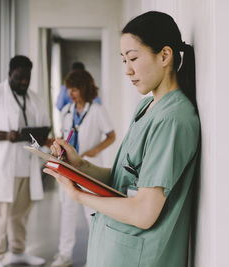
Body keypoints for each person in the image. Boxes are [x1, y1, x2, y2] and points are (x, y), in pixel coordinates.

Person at [44, 11, 200, 267]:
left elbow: (144, 212)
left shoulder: (173, 120)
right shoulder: (146, 108)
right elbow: (122, 180)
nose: (127, 70)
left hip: (138, 257)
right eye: (123, 60)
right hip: (113, 249)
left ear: (165, 56)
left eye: (133, 58)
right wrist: (78, 166)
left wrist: (79, 196)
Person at [0, 55, 50, 267]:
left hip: (26, 165)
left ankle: (17, 251)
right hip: (1, 167)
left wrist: (42, 137)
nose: (24, 82)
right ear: (9, 75)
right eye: (19, 77)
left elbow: (44, 126)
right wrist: (6, 135)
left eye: (27, 78)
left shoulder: (35, 99)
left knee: (20, 214)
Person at [51, 70, 116, 267]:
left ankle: (96, 259)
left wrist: (92, 151)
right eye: (69, 88)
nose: (71, 93)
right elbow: (64, 136)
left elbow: (111, 136)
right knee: (67, 213)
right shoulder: (66, 111)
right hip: (68, 168)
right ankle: (64, 255)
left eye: (75, 88)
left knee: (93, 215)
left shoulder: (97, 110)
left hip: (89, 167)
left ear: (84, 88)